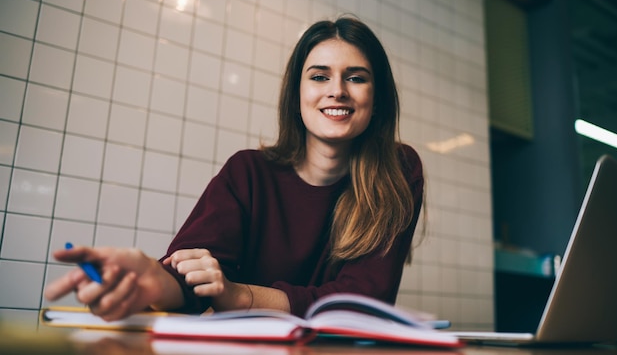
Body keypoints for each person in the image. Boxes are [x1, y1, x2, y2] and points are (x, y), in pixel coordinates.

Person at [44, 17, 426, 321]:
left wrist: (239, 295)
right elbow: (188, 274)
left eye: (356, 77)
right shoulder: (247, 172)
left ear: (376, 101)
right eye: (319, 76)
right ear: (297, 96)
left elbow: (363, 302)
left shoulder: (398, 171)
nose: (337, 90)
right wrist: (148, 281)